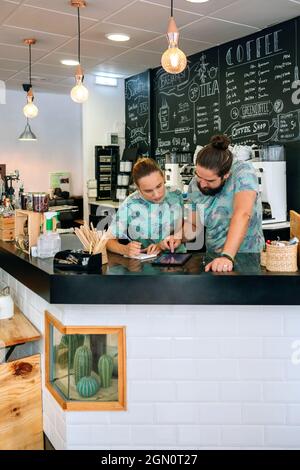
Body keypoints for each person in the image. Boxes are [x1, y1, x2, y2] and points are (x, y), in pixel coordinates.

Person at [187, 134, 264, 272]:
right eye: (198, 176)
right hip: (213, 259)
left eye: (210, 181)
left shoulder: (243, 172)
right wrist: (176, 238)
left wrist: (227, 256)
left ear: (226, 175)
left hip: (247, 257)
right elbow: (194, 225)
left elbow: (243, 213)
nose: (202, 184)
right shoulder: (194, 185)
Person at [106, 157, 185, 257]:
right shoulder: (130, 204)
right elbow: (108, 241)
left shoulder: (176, 195)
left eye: (159, 186)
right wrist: (125, 249)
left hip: (178, 258)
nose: (156, 195)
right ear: (138, 188)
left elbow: (182, 226)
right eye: (148, 191)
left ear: (163, 177)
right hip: (147, 263)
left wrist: (172, 239)